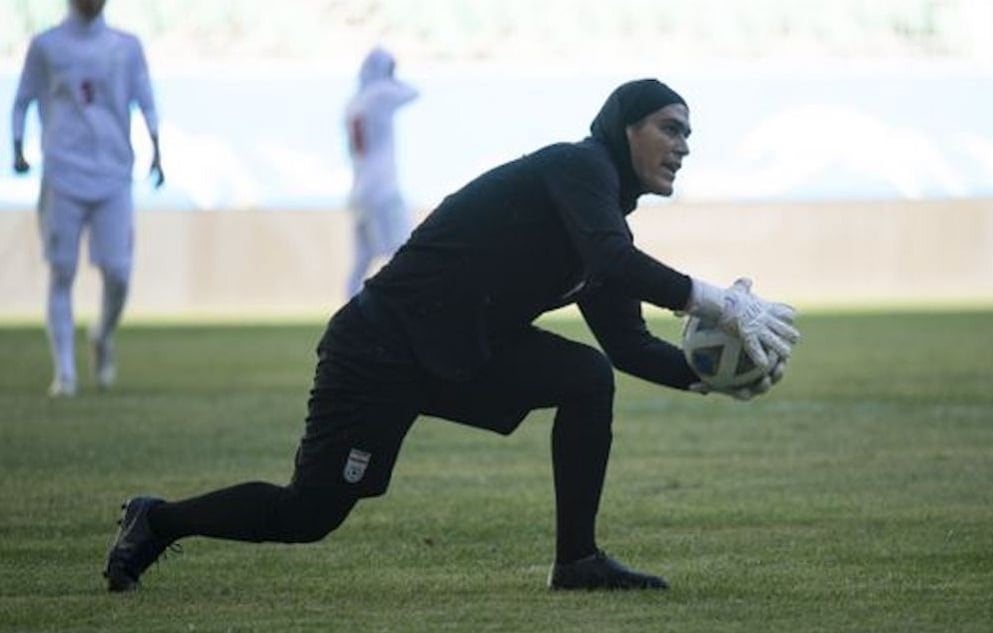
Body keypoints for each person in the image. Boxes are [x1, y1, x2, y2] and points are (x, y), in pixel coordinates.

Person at [102, 79, 799, 593]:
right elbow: (616, 262)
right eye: (669, 127)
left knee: (588, 376)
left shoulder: (603, 222)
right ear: (624, 127)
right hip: (379, 347)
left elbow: (627, 345)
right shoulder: (578, 166)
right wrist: (715, 301)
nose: (682, 145)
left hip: (457, 351)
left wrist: (711, 377)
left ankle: (578, 560)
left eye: (688, 135)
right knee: (308, 513)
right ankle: (156, 520)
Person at [10, 0, 164, 397]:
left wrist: (156, 149)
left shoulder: (126, 46)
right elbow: (23, 98)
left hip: (114, 174)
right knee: (61, 271)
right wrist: (17, 148)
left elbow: (145, 99)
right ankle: (64, 372)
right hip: (62, 173)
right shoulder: (46, 45)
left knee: (118, 272)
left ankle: (102, 334)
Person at [343, 47, 419, 299]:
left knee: (362, 258)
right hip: (383, 187)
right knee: (402, 253)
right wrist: (390, 77)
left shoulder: (354, 103)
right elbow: (412, 92)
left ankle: (349, 308)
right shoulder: (381, 93)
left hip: (359, 189)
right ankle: (401, 304)